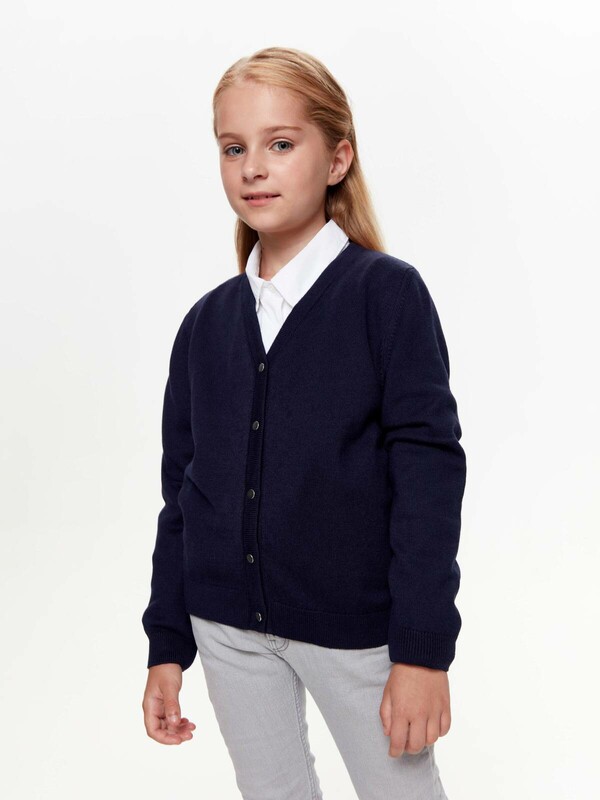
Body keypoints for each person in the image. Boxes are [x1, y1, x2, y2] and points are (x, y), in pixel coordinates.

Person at [141, 45, 466, 800]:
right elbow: (182, 492)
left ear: (337, 159)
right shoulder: (205, 325)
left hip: (358, 631)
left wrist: (422, 651)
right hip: (227, 629)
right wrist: (167, 643)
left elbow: (428, 474)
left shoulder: (386, 296)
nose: (253, 168)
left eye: (281, 144)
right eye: (234, 148)